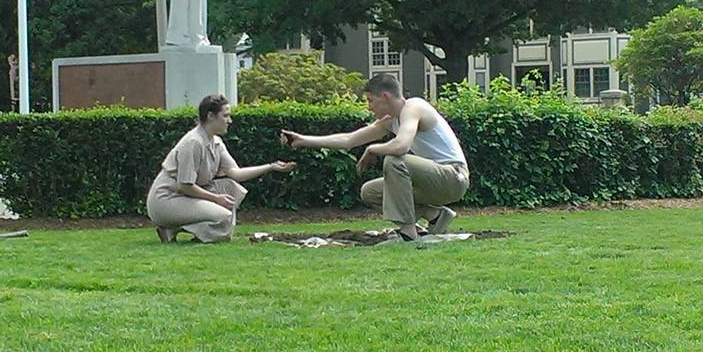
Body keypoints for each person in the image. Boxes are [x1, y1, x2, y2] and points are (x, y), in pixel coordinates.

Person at [281, 73, 469, 241]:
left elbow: (401, 145)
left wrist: (373, 149)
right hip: (430, 182)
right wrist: (303, 140)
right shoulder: (390, 120)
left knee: (395, 160)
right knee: (370, 191)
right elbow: (349, 139)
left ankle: (408, 233)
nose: (369, 107)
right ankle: (435, 216)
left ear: (385, 97)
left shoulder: (414, 107)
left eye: (371, 100)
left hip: (453, 177)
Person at [148, 94, 295, 243]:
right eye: (225, 116)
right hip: (167, 199)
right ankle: (171, 228)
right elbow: (185, 185)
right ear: (211, 116)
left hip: (185, 195)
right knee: (224, 218)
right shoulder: (193, 142)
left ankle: (175, 230)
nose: (229, 121)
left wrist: (271, 167)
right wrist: (216, 198)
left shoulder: (216, 141)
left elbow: (236, 173)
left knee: (232, 188)